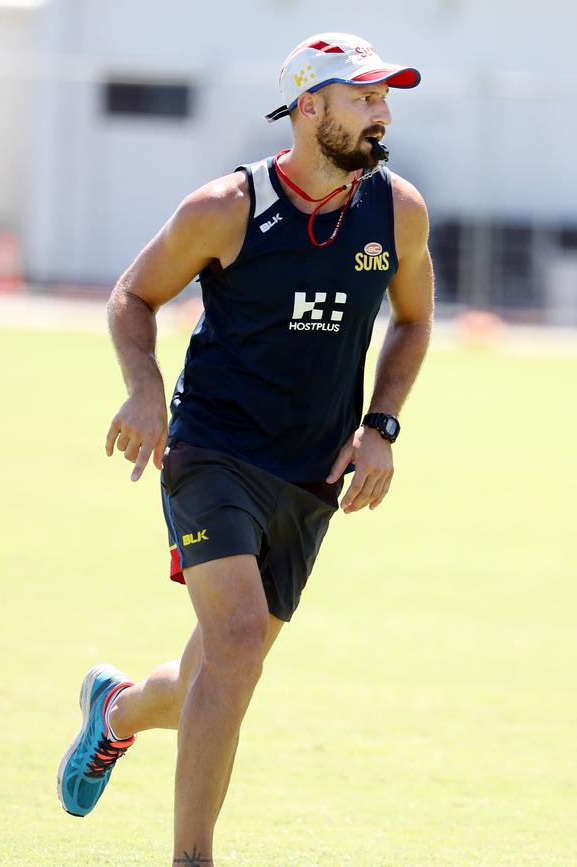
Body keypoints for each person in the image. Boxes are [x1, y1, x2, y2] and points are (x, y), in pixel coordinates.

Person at [57, 32, 434, 867]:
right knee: (233, 651)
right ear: (309, 107)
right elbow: (134, 295)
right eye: (364, 98)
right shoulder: (225, 206)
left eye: (385, 100)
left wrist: (382, 424)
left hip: (312, 477)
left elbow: (412, 319)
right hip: (213, 452)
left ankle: (114, 709)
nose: (382, 115)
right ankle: (193, 859)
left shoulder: (399, 210)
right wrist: (145, 389)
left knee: (212, 672)